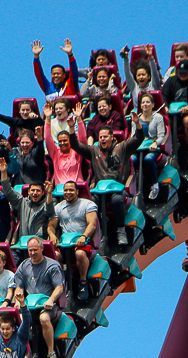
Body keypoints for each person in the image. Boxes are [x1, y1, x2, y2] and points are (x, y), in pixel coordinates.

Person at [70, 111, 144, 245]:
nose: (103, 139)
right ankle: (97, 232)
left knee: (116, 200)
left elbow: (138, 139)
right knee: (91, 202)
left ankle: (121, 231)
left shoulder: (122, 148)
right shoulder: (94, 150)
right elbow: (76, 146)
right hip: (100, 191)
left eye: (105, 137)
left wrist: (137, 123)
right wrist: (71, 128)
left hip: (118, 189)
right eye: (101, 137)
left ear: (111, 137)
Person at [14, 236, 65, 358]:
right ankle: (21, 354)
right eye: (30, 250)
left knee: (43, 318)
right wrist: (18, 300)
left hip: (47, 305)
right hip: (29, 305)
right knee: (18, 319)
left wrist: (51, 299)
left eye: (35, 250)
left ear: (42, 248)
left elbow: (59, 287)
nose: (32, 253)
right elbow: (19, 286)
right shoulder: (24, 265)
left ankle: (51, 353)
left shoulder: (52, 265)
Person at [47, 181, 98, 301]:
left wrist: (84, 236)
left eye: (71, 190)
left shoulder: (87, 204)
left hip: (83, 242)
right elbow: (51, 226)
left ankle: (83, 283)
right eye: (66, 190)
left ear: (77, 191)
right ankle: (60, 285)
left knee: (79, 254)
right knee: (55, 255)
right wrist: (52, 235)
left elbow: (92, 224)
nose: (68, 193)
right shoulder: (58, 207)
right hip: (65, 243)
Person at [0, 157, 55, 241]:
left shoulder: (46, 203)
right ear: (28, 192)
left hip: (39, 243)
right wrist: (3, 172)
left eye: (38, 191)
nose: (35, 193)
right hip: (23, 243)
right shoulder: (22, 202)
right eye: (33, 190)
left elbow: (50, 211)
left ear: (43, 192)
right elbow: (8, 190)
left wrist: (49, 193)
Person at [130, 92, 167, 199]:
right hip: (139, 147)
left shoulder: (158, 117)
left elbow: (161, 136)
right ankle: (134, 187)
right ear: (140, 105)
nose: (145, 104)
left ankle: (155, 185)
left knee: (149, 159)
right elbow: (133, 135)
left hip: (152, 147)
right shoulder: (136, 119)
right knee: (131, 160)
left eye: (147, 102)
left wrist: (156, 143)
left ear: (153, 105)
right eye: (143, 102)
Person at [44, 102, 87, 185]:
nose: (62, 143)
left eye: (65, 141)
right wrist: (48, 118)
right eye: (60, 141)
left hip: (76, 189)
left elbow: (83, 139)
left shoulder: (76, 152)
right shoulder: (55, 153)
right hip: (60, 192)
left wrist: (79, 119)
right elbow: (47, 138)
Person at [32, 38, 80, 102]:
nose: (56, 76)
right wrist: (36, 57)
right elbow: (39, 74)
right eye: (54, 74)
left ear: (64, 75)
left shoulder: (70, 86)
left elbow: (74, 72)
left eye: (58, 73)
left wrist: (70, 55)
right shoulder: (48, 87)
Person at [121, 44, 161, 109]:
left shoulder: (153, 85)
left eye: (143, 75)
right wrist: (126, 59)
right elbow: (127, 74)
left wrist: (151, 57)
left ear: (148, 76)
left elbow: (154, 73)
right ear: (136, 77)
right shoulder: (134, 87)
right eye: (139, 75)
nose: (141, 77)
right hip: (137, 116)